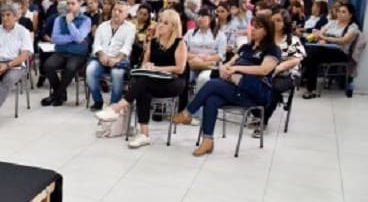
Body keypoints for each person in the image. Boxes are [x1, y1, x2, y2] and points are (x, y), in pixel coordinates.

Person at [174, 15, 280, 156]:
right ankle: (207, 141)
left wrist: (237, 69)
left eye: (258, 27)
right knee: (211, 100)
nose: (253, 29)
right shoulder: (245, 48)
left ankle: (187, 113)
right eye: (253, 26)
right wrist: (224, 69)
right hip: (235, 88)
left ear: (267, 31)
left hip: (255, 93)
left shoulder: (272, 49)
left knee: (211, 85)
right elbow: (228, 64)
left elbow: (264, 70)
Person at [96, 9, 188, 149]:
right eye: (160, 21)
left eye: (165, 23)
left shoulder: (179, 43)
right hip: (153, 80)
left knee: (143, 83)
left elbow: (180, 68)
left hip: (173, 82)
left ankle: (116, 108)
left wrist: (157, 68)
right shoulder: (153, 41)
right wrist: (148, 65)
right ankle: (144, 134)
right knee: (143, 89)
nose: (160, 25)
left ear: (173, 27)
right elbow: (145, 63)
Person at [252, 9, 306, 137]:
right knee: (249, 82)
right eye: (273, 20)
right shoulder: (265, 39)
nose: (275, 23)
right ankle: (257, 112)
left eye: (279, 20)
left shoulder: (291, 39)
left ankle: (263, 121)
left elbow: (296, 60)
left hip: (287, 73)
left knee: (273, 87)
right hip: (265, 70)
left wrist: (278, 68)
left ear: (285, 23)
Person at [301, 2, 361, 98]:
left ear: (350, 15)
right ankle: (309, 85)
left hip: (340, 53)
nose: (340, 14)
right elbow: (320, 32)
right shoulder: (333, 22)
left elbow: (343, 40)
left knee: (312, 54)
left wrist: (326, 38)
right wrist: (322, 38)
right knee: (308, 52)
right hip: (325, 48)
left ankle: (309, 86)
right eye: (339, 11)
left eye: (343, 12)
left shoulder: (353, 27)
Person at [41, 0, 91, 106]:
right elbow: (55, 38)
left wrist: (69, 23)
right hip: (61, 51)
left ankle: (56, 95)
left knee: (70, 68)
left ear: (79, 4)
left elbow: (79, 39)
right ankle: (61, 94)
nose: (69, 6)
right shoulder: (59, 19)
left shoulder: (86, 20)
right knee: (48, 66)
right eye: (68, 3)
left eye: (73, 3)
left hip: (78, 53)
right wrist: (72, 38)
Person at [85, 1, 136, 111]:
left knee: (117, 73)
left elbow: (127, 47)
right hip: (101, 58)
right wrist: (101, 55)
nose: (116, 12)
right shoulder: (102, 26)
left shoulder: (130, 27)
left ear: (126, 14)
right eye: (114, 10)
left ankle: (114, 104)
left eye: (120, 11)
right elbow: (96, 44)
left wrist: (117, 59)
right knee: (90, 70)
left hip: (120, 59)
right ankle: (98, 101)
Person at [131, 4, 156, 68]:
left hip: (147, 46)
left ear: (149, 15)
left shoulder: (153, 25)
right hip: (133, 46)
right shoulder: (131, 23)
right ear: (137, 12)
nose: (142, 16)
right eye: (140, 13)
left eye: (145, 15)